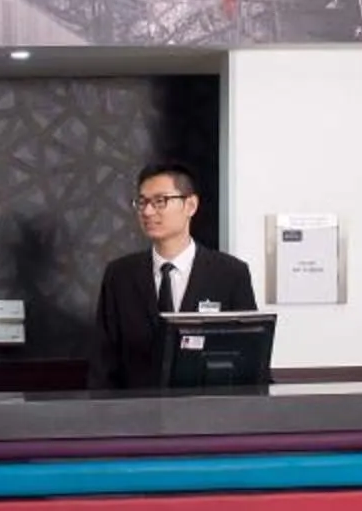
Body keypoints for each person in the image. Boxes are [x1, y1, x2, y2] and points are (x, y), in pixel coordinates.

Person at [89, 161, 256, 390]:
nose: (148, 211)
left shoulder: (230, 274)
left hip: (207, 414)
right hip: (135, 414)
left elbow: (249, 355)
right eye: (142, 202)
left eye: (160, 201)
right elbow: (104, 363)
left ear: (190, 205)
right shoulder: (120, 276)